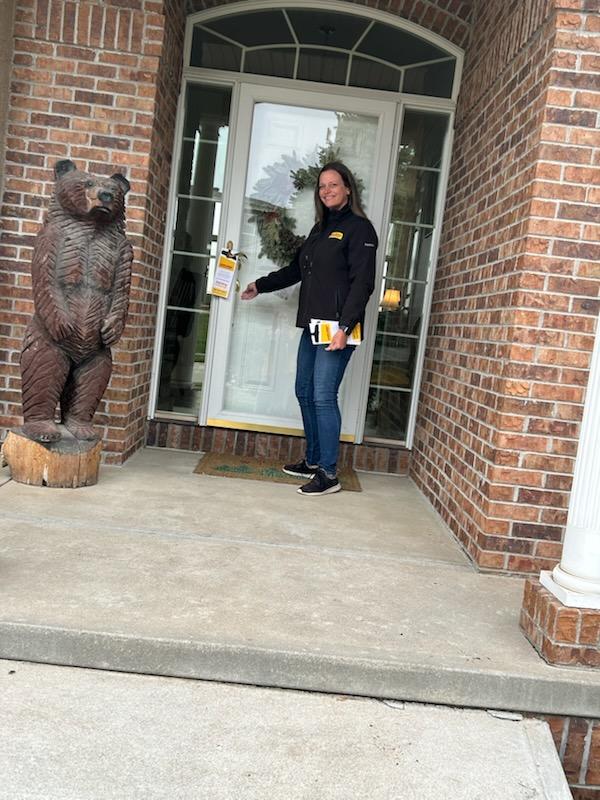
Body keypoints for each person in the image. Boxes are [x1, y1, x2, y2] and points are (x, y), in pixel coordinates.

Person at [241, 161, 378, 496]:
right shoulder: (319, 230)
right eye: (322, 186)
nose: (327, 190)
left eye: (333, 184)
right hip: (314, 326)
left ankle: (329, 474)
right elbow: (296, 270)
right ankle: (314, 460)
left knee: (323, 396)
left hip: (339, 328)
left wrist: (345, 326)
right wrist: (261, 285)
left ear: (347, 189)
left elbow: (363, 284)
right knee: (304, 391)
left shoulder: (360, 229)